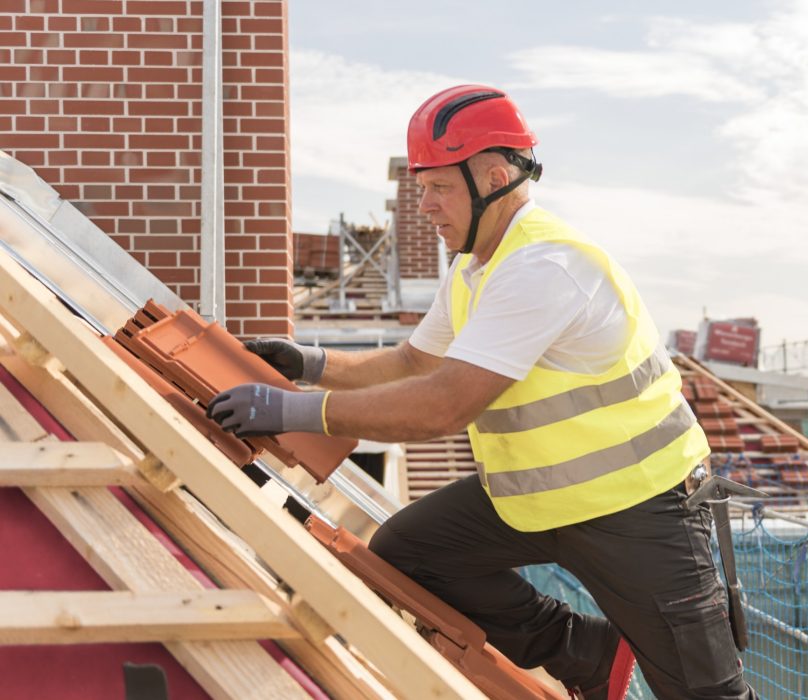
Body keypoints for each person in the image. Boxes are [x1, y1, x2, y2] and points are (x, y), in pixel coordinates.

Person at [207, 84, 756, 700]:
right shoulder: (476, 267)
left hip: (636, 510)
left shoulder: (541, 266)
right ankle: (584, 652)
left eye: (438, 187)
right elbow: (414, 361)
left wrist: (292, 410)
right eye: (421, 189)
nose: (425, 206)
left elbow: (443, 403)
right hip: (538, 498)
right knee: (407, 555)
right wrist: (309, 363)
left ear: (493, 177)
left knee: (707, 696)